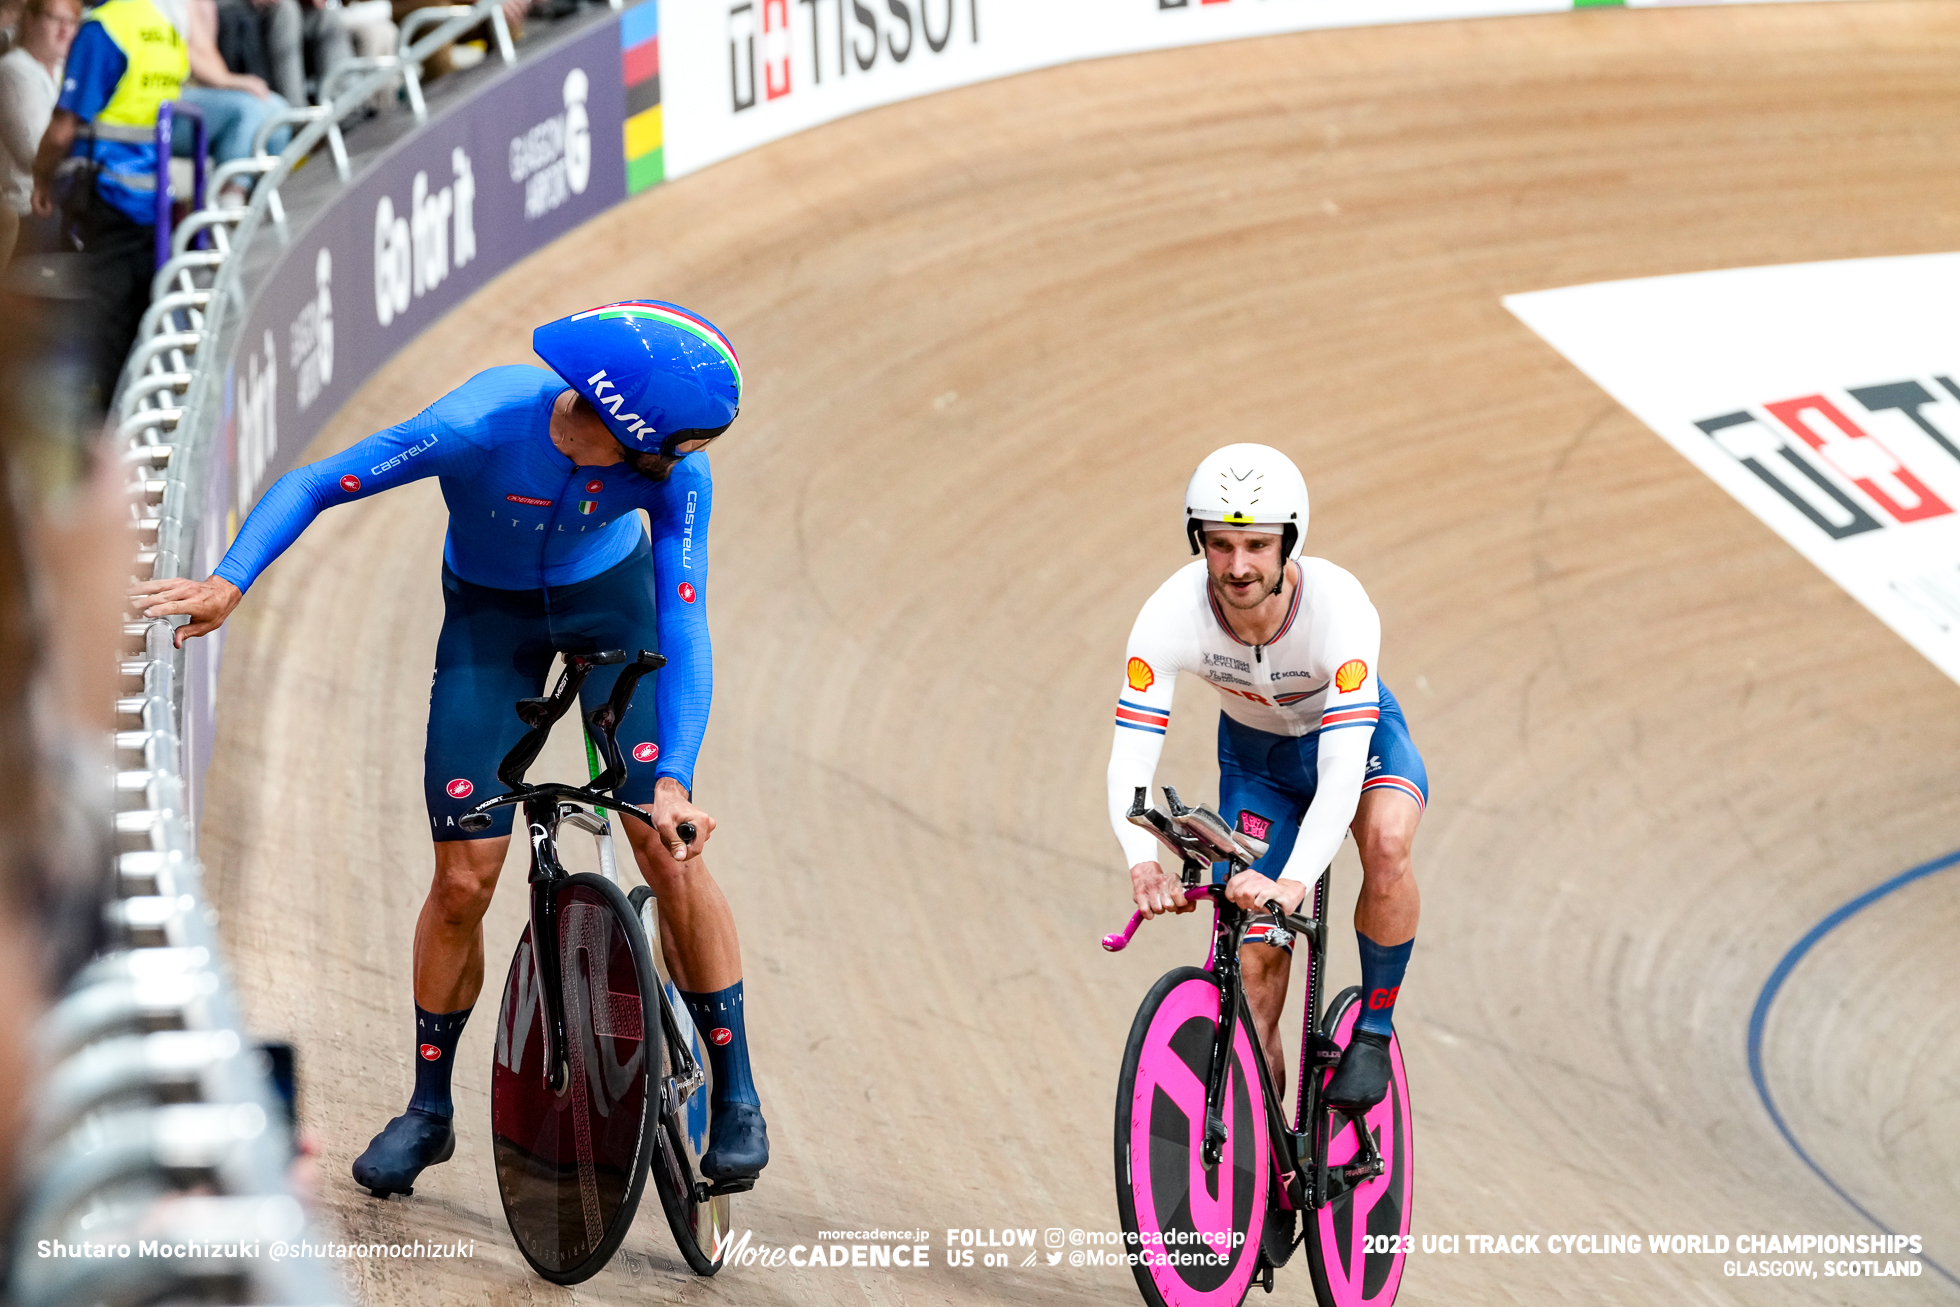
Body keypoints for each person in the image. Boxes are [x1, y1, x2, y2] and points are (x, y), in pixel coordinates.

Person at [129, 300, 771, 1196]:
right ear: (611, 421)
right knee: (464, 878)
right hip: (490, 620)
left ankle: (738, 1092)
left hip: (610, 605)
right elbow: (319, 480)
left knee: (668, 847)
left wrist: (672, 781)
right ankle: (430, 1109)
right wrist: (229, 581)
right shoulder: (476, 424)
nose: (678, 464)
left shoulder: (673, 481)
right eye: (666, 446)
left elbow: (684, 622)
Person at [1107, 444, 1426, 1110]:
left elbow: (1340, 775)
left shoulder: (1340, 607)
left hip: (1356, 749)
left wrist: (1291, 882)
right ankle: (1265, 1162)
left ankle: (1372, 1028)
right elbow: (1131, 758)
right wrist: (1143, 862)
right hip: (1259, 766)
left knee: (1388, 844)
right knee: (1251, 980)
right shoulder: (1171, 611)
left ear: (1290, 541)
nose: (1239, 566)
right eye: (1220, 545)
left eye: (1256, 544)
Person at [30, 0, 187, 413]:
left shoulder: (104, 29)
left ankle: (105, 443)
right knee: (138, 325)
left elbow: (63, 130)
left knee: (104, 337)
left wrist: (41, 174)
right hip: (152, 202)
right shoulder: (163, 28)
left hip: (107, 197)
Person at [177, 0, 287, 205]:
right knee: (246, 108)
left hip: (197, 90)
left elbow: (205, 50)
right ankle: (226, 200)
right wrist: (228, 81)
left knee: (278, 110)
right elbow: (180, 50)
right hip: (164, 100)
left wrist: (227, 81)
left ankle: (261, 198)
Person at [0, 0, 80, 261]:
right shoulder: (13, 70)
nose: (64, 30)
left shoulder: (61, 71)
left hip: (59, 205)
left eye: (72, 23)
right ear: (30, 21)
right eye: (55, 19)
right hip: (28, 213)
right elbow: (33, 152)